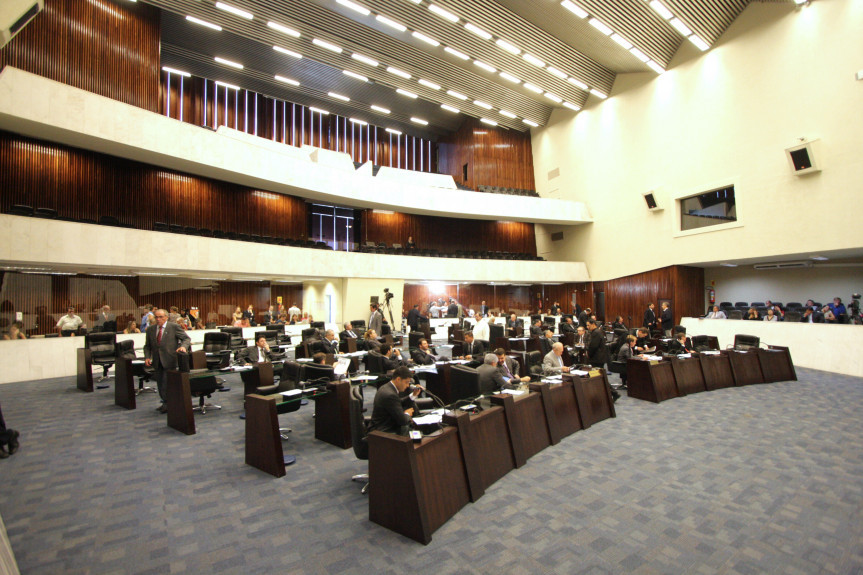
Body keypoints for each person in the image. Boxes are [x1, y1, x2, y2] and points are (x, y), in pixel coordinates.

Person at [144, 308, 191, 414]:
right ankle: (165, 402)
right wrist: (147, 357)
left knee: (167, 383)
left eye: (160, 317)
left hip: (170, 360)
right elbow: (147, 346)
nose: (158, 319)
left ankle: (170, 404)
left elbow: (186, 339)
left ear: (166, 317)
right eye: (156, 317)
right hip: (157, 361)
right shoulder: (151, 329)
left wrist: (183, 347)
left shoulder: (173, 327)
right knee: (160, 383)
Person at [367, 366, 418, 435]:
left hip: (383, 426)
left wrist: (413, 395)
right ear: (398, 379)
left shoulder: (387, 387)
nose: (408, 386)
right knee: (415, 431)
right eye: (406, 382)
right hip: (384, 432)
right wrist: (407, 414)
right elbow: (403, 421)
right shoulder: (390, 394)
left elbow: (397, 402)